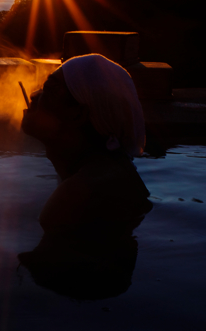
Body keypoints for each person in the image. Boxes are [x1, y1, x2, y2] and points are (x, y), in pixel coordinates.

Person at [19, 53, 152, 298]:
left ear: (78, 114)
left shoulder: (78, 195)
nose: (35, 95)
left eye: (49, 89)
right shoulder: (110, 173)